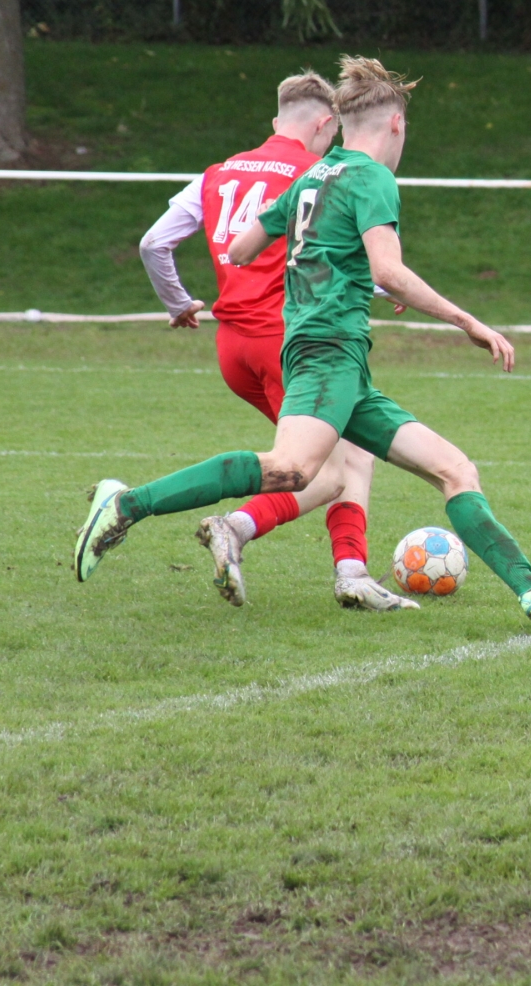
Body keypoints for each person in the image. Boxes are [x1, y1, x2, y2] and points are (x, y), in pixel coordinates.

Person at [77, 56, 531, 625]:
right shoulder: (372, 177)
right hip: (325, 353)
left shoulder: (312, 176)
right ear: (396, 124)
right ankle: (127, 504)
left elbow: (241, 249)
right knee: (292, 470)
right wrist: (468, 322)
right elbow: (388, 271)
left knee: (454, 469)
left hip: (341, 364)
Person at [136, 70, 408, 611]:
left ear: (276, 118)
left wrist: (178, 303)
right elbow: (335, 247)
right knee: (329, 470)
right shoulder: (319, 172)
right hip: (293, 340)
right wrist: (389, 286)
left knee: (348, 454)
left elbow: (153, 243)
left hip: (231, 348)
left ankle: (351, 571)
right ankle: (231, 527)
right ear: (326, 124)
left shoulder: (218, 173)